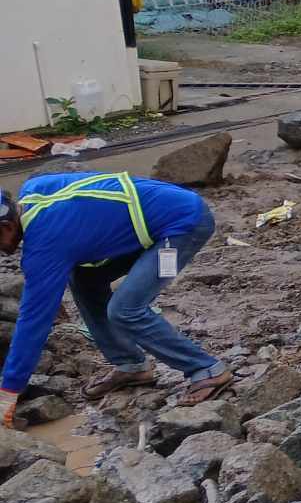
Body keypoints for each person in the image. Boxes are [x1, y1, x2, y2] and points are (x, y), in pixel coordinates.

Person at [0, 172, 232, 428]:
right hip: (153, 219)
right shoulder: (35, 188)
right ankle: (131, 365)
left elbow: (34, 320)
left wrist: (8, 391)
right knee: (84, 279)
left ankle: (208, 370)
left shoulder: (45, 243)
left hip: (182, 227)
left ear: (7, 226)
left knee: (126, 309)